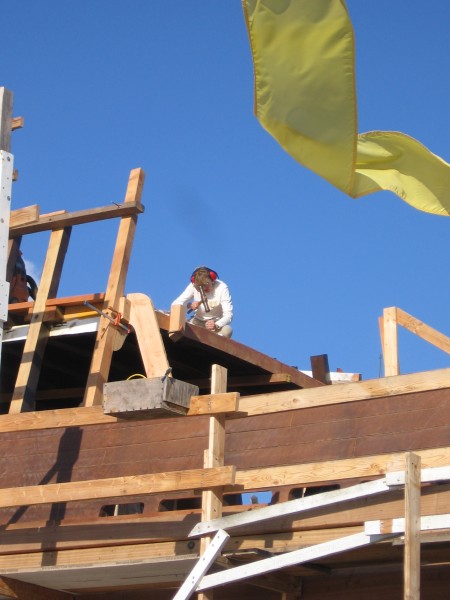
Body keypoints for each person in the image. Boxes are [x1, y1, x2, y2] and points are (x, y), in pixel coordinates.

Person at [172, 266, 233, 338]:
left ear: (212, 279)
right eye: (200, 287)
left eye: (206, 285)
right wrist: (189, 306)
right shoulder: (193, 286)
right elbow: (177, 303)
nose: (204, 289)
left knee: (227, 331)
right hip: (197, 321)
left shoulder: (222, 288)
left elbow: (228, 315)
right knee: (181, 328)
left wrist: (216, 324)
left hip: (215, 323)